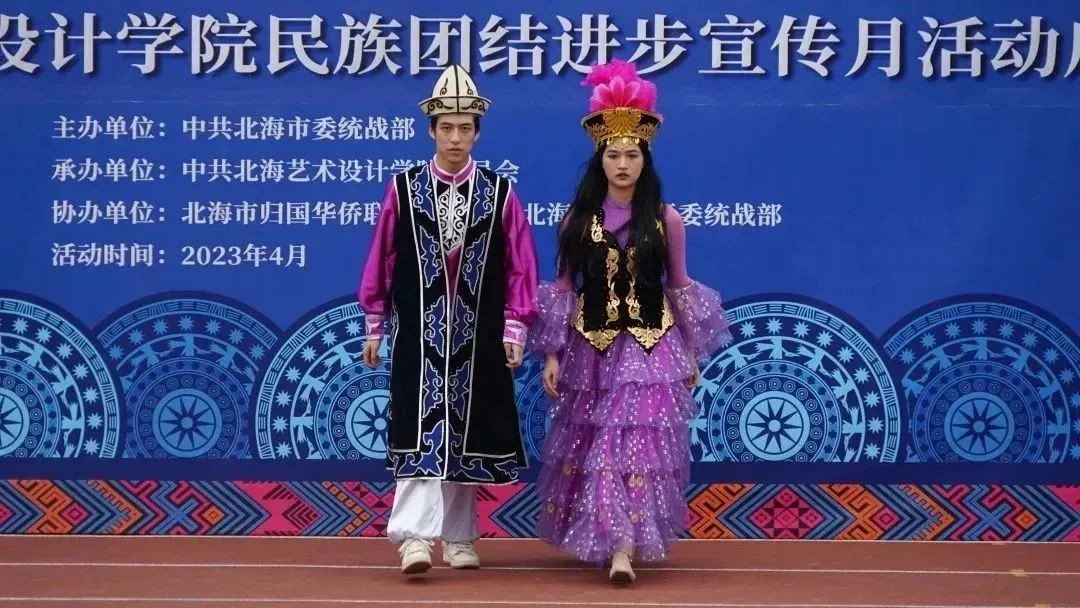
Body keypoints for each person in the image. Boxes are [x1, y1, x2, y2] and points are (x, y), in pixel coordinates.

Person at [527, 60, 733, 584]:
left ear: (646, 160)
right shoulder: (577, 220)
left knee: (634, 448)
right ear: (600, 159)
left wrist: (690, 352)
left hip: (650, 348)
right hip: (590, 350)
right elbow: (564, 288)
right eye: (614, 154)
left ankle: (623, 545)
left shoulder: (666, 219)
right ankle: (610, 538)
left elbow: (679, 286)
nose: (623, 164)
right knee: (598, 448)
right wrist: (551, 354)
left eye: (632, 154)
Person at [359, 64, 539, 575]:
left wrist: (515, 326)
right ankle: (414, 538)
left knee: (469, 434)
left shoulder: (500, 193)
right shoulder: (404, 189)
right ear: (431, 131)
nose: (455, 137)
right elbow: (383, 257)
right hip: (420, 332)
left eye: (464, 128)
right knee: (418, 428)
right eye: (446, 127)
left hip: (478, 335)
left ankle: (459, 538)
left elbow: (520, 264)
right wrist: (375, 320)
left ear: (477, 132)